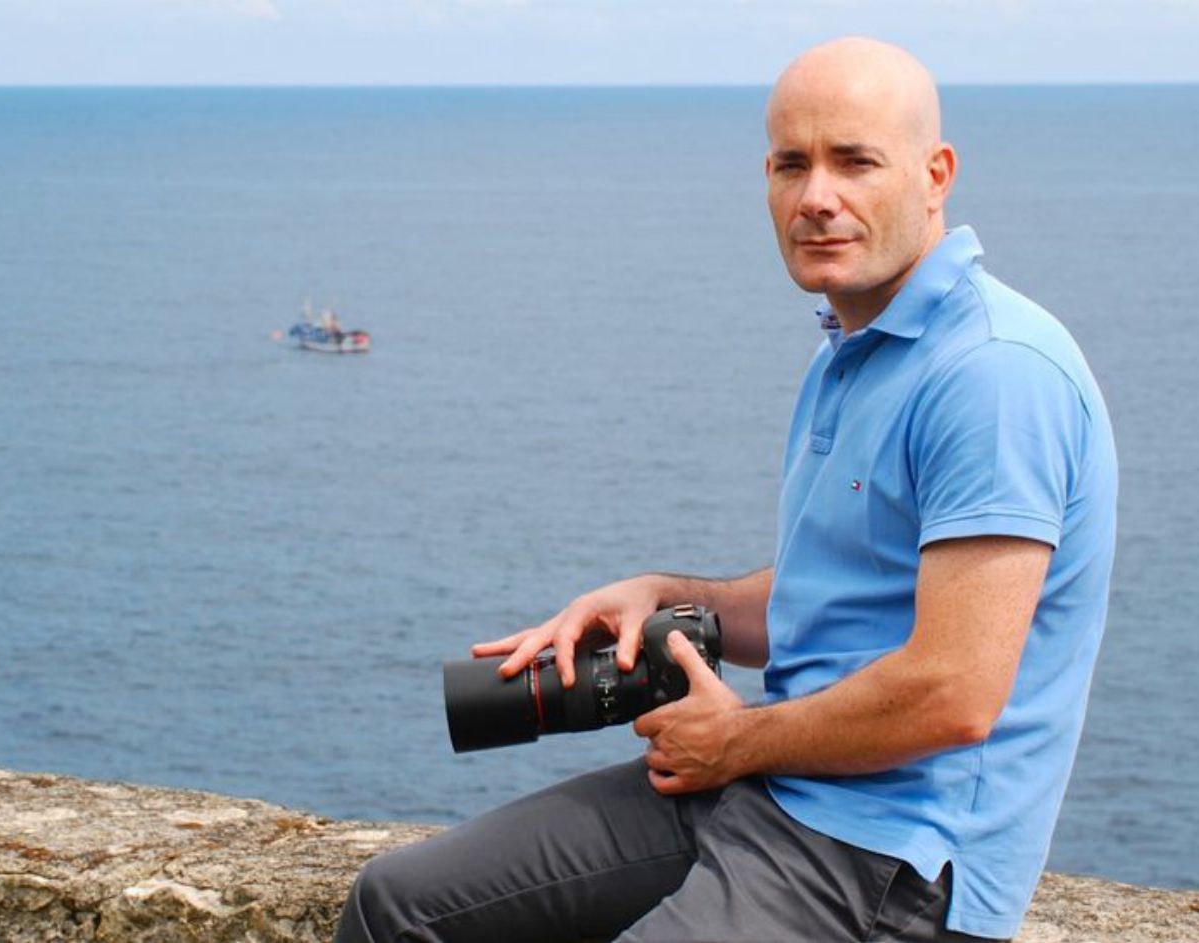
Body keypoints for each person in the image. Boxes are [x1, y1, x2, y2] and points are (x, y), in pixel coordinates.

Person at [336, 35, 1116, 943]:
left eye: (855, 162)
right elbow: (841, 598)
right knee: (399, 906)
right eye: (793, 164)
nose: (817, 196)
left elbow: (954, 692)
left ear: (934, 174)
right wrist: (665, 595)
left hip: (892, 862)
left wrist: (738, 738)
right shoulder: (855, 351)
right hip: (775, 786)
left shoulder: (993, 374)